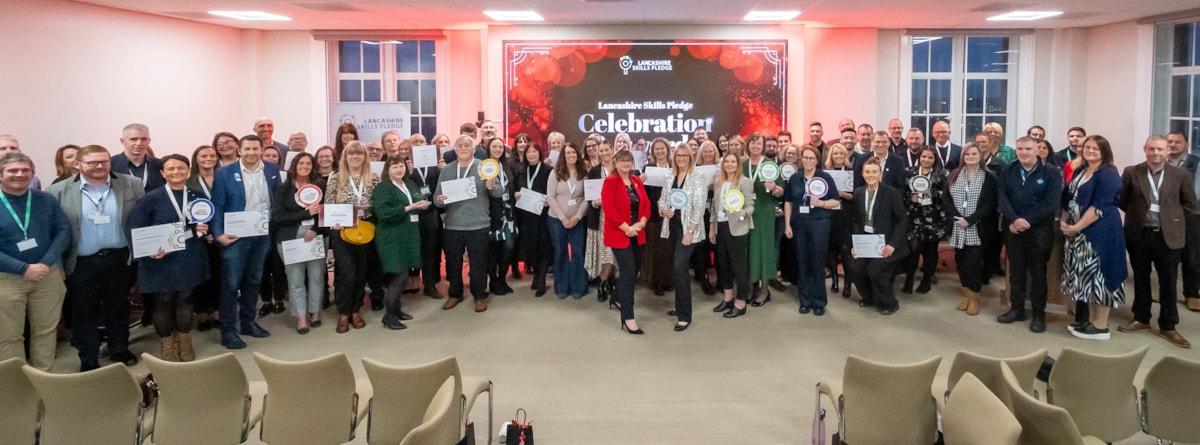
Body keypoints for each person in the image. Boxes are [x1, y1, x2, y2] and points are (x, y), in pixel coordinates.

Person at [47, 145, 145, 370]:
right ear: (79, 164)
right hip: (81, 262)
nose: (99, 166)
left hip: (120, 258)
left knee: (119, 307)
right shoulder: (58, 191)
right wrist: (57, 264)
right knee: (84, 312)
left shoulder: (131, 184)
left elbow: (143, 219)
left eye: (104, 161)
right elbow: (53, 230)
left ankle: (119, 349)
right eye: (92, 162)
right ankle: (88, 357)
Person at [129, 154, 210, 361]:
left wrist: (204, 228)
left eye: (181, 168)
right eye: (171, 169)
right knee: (163, 300)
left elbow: (205, 220)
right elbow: (136, 227)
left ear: (188, 170)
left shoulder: (196, 195)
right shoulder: (150, 198)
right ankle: (167, 343)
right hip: (160, 257)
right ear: (163, 173)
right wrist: (147, 250)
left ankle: (184, 340)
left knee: (185, 297)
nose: (176, 172)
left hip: (189, 253)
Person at [1116, 135, 1195, 348]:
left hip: (1167, 235)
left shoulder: (1181, 175)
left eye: (1160, 149)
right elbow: (1123, 201)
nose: (1156, 153)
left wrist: (1173, 221)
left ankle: (1168, 325)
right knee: (1140, 277)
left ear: (1168, 151)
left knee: (1168, 281)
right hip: (1139, 233)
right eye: (1152, 149)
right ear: (1145, 149)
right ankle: (1141, 318)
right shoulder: (1132, 172)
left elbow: (1190, 205)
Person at [210, 134, 281, 349]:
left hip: (262, 233)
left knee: (254, 280)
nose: (251, 153)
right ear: (239, 150)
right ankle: (228, 330)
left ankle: (248, 323)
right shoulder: (224, 173)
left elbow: (275, 198)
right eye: (247, 149)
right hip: (235, 236)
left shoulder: (271, 170)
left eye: (255, 149)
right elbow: (217, 205)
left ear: (261, 150)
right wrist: (218, 233)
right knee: (231, 284)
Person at [0, 153, 69, 371]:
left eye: (25, 170)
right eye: (12, 170)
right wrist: (23, 268)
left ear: (33, 172)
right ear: (1, 174)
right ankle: (18, 387)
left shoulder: (45, 199)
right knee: (9, 337)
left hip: (46, 276)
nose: (19, 174)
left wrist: (46, 263)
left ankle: (43, 380)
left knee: (46, 332)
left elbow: (63, 231)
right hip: (7, 279)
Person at [995, 137, 1063, 333]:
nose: (1023, 152)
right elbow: (1003, 198)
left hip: (1039, 230)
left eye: (1028, 149)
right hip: (1013, 228)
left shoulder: (1051, 173)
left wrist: (1027, 221)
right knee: (1016, 271)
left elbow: (1051, 204)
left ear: (1037, 150)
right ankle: (1016, 309)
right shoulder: (1008, 170)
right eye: (1020, 149)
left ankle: (1038, 314)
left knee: (1038, 273)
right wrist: (1014, 219)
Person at [1061, 135, 1126, 341]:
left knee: (1100, 278)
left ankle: (1101, 326)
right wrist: (1065, 221)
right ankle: (1090, 321)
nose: (1090, 151)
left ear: (1104, 151)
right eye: (1087, 147)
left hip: (1100, 232)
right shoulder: (1081, 170)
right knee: (1087, 278)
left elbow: (1100, 207)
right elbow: (1069, 198)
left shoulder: (1108, 173)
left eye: (1095, 149)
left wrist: (1076, 227)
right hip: (1078, 232)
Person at [435, 135, 501, 312]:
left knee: (478, 262)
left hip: (478, 224)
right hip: (453, 225)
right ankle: (455, 294)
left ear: (473, 149)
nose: (463, 148)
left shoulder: (483, 166)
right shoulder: (447, 170)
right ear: (455, 150)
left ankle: (479, 296)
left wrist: (492, 185)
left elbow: (499, 192)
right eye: (460, 146)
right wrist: (440, 200)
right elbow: (436, 199)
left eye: (467, 145)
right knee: (453, 263)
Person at [325, 141, 379, 332]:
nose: (355, 157)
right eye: (351, 154)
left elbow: (379, 206)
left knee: (361, 273)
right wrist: (347, 213)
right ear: (345, 157)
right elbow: (328, 205)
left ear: (365, 157)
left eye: (359, 154)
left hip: (364, 230)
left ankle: (355, 310)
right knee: (346, 273)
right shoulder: (335, 178)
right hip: (341, 232)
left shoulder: (373, 178)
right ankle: (343, 312)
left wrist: (368, 209)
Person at [271, 153, 327, 334]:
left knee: (316, 276)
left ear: (313, 166)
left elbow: (327, 212)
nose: (304, 166)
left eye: (308, 163)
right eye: (301, 163)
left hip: (316, 236)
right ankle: (301, 316)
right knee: (295, 280)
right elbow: (278, 217)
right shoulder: (284, 189)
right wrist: (305, 213)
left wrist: (317, 230)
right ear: (294, 165)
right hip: (290, 239)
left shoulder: (320, 185)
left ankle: (315, 312)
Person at [372, 156, 429, 330]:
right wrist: (409, 208)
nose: (399, 169)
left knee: (404, 273)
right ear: (387, 169)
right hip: (391, 237)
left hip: (409, 235)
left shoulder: (409, 185)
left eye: (401, 166)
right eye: (394, 166)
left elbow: (419, 197)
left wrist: (423, 204)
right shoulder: (383, 188)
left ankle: (396, 310)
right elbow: (383, 213)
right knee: (398, 276)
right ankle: (389, 316)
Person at [848, 158, 909, 315]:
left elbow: (902, 220)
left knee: (876, 271)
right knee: (856, 269)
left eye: (874, 172)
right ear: (862, 173)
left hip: (886, 243)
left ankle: (889, 302)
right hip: (866, 242)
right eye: (867, 172)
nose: (871, 175)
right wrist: (856, 244)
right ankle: (869, 297)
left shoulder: (891, 193)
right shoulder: (859, 193)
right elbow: (856, 220)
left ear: (880, 174)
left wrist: (892, 245)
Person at [784, 145, 839, 316]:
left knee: (817, 261)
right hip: (799, 224)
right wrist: (787, 224)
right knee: (802, 261)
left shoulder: (825, 177)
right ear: (801, 159)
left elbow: (836, 201)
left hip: (820, 224)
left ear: (817, 160)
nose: (808, 161)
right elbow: (788, 202)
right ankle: (805, 300)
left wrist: (822, 203)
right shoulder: (794, 178)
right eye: (805, 158)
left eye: (811, 158)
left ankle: (819, 301)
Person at [657, 145, 707, 331]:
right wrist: (663, 209)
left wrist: (690, 231)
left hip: (689, 230)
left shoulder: (697, 177)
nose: (681, 158)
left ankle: (684, 315)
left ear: (690, 157)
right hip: (672, 227)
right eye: (678, 155)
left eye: (685, 155)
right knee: (676, 268)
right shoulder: (669, 176)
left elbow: (700, 206)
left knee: (680, 266)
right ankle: (679, 306)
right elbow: (662, 200)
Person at [945, 143, 996, 316]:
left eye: (974, 154)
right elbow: (946, 199)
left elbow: (989, 204)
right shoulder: (954, 174)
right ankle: (965, 294)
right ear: (962, 157)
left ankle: (974, 298)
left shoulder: (989, 177)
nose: (970, 157)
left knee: (972, 263)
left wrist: (970, 219)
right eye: (967, 154)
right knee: (960, 262)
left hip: (977, 227)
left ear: (980, 156)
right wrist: (957, 217)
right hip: (958, 226)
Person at [603, 149, 650, 334]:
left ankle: (616, 296)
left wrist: (642, 222)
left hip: (638, 232)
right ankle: (628, 316)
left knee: (634, 269)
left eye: (628, 160)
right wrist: (627, 228)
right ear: (615, 163)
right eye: (622, 160)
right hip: (620, 234)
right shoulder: (610, 182)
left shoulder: (636, 181)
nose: (625, 164)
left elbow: (645, 204)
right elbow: (610, 210)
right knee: (628, 271)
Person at [710, 153, 756, 318]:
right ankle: (728, 298)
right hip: (720, 227)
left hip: (737, 228)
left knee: (738, 266)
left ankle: (740, 302)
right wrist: (711, 229)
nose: (729, 164)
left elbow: (751, 206)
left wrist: (743, 213)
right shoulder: (718, 182)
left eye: (732, 161)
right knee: (723, 265)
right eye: (726, 162)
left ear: (738, 164)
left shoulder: (744, 182)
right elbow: (714, 208)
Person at [901, 147, 948, 294]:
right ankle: (909, 279)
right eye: (924, 157)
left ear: (935, 160)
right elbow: (902, 192)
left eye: (930, 158)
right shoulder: (909, 172)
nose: (926, 160)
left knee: (930, 251)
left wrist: (932, 193)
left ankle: (926, 280)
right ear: (919, 157)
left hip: (934, 219)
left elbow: (946, 196)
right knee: (913, 250)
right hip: (914, 217)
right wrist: (910, 198)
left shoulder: (942, 174)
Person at [546, 142, 590, 299]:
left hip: (578, 220)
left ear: (578, 155)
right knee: (561, 252)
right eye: (568, 153)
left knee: (578, 253)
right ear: (563, 156)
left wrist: (577, 216)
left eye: (574, 153)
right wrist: (563, 218)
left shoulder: (583, 172)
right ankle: (562, 287)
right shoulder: (556, 172)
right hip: (557, 220)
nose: (571, 155)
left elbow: (586, 197)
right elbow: (550, 196)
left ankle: (579, 287)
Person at [744, 133, 782, 306]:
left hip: (764, 211)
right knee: (749, 249)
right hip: (746, 211)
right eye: (753, 143)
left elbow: (781, 191)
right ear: (748, 145)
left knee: (764, 248)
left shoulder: (770, 165)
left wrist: (774, 188)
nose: (755, 146)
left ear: (764, 146)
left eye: (759, 143)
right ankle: (751, 286)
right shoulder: (742, 165)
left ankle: (765, 289)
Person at [187, 146, 222, 332]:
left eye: (212, 155)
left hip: (222, 233)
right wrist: (202, 232)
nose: (208, 158)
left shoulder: (223, 177)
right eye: (204, 156)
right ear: (196, 159)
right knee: (201, 275)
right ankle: (201, 313)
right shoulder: (188, 182)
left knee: (220, 274)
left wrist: (217, 231)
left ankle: (217, 311)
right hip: (198, 236)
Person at [406, 136, 445, 299]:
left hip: (431, 211)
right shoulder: (405, 165)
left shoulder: (435, 166)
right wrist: (407, 173)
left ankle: (430, 285)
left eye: (422, 141)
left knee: (431, 249)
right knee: (413, 247)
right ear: (410, 147)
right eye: (415, 142)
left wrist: (443, 169)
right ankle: (409, 281)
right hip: (412, 213)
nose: (419, 144)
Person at [1166, 131, 1200, 312]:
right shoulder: (1160, 162)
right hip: (1166, 217)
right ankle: (1167, 292)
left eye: (1177, 142)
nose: (1172, 145)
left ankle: (1192, 294)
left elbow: (1196, 194)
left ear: (1186, 144)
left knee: (1192, 257)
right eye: (1169, 141)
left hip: (1191, 216)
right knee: (1167, 257)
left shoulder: (1196, 163)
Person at [516, 142, 552, 296]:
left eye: (534, 151)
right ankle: (536, 275)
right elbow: (517, 189)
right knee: (532, 247)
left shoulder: (548, 170)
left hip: (543, 216)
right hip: (526, 216)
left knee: (543, 246)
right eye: (528, 152)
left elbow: (553, 191)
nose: (531, 154)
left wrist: (548, 201)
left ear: (540, 153)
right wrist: (516, 195)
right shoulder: (521, 171)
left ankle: (542, 279)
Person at [484, 137, 518, 296]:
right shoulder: (483, 166)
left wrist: (515, 195)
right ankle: (494, 281)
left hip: (509, 212)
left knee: (508, 247)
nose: (498, 149)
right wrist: (491, 188)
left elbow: (510, 186)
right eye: (494, 146)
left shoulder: (507, 165)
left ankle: (502, 278)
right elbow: (491, 191)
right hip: (492, 213)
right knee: (492, 250)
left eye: (500, 147)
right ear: (489, 148)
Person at [641, 137, 674, 295]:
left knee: (669, 249)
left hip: (672, 213)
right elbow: (644, 195)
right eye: (656, 149)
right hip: (654, 215)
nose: (660, 151)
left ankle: (667, 280)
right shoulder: (648, 168)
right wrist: (641, 182)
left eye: (662, 148)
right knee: (655, 250)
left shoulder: (675, 167)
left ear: (668, 149)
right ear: (652, 152)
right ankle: (655, 282)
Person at [585, 143, 618, 301]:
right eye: (601, 150)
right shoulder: (595, 171)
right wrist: (597, 202)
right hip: (601, 218)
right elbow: (590, 197)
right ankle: (603, 283)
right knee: (606, 252)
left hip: (618, 218)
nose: (604, 153)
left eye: (607, 150)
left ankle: (607, 281)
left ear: (612, 150)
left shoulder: (620, 168)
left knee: (614, 252)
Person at [825, 143, 856, 299]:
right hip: (830, 216)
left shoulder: (852, 173)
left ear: (845, 155)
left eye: (841, 153)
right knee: (831, 251)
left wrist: (842, 193)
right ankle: (835, 281)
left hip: (845, 217)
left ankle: (849, 284)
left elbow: (855, 197)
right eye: (835, 154)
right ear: (831, 155)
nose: (838, 156)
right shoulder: (824, 174)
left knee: (845, 252)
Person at [692, 141, 720, 295]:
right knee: (701, 246)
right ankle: (703, 279)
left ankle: (719, 279)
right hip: (700, 211)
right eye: (705, 151)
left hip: (716, 210)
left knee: (716, 245)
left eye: (711, 151)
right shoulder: (694, 169)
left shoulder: (719, 168)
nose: (708, 154)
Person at [111, 123, 165, 191]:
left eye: (144, 139)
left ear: (149, 141)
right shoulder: (110, 165)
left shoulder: (160, 165)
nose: (139, 143)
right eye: (134, 139)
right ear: (122, 141)